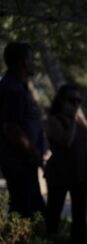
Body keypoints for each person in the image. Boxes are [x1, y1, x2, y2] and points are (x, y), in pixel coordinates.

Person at [0, 42, 47, 217]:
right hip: (19, 161)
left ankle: (23, 243)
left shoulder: (18, 87)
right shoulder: (13, 90)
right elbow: (11, 127)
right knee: (25, 211)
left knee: (31, 209)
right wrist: (32, 151)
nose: (34, 62)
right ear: (22, 62)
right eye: (31, 59)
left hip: (24, 161)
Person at [44, 84, 87, 244]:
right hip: (59, 174)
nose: (76, 104)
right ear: (61, 101)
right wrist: (72, 122)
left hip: (79, 173)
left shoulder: (80, 122)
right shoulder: (53, 120)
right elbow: (66, 142)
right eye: (72, 100)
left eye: (79, 100)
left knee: (80, 216)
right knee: (53, 214)